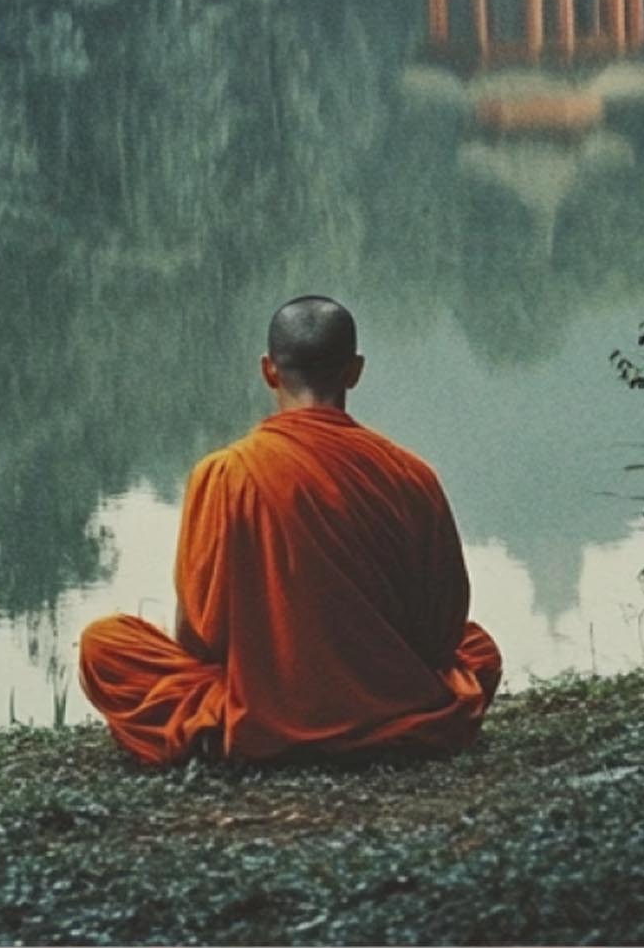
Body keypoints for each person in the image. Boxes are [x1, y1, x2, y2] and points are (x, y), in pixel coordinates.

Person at [77, 294, 502, 766]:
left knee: (105, 645)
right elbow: (440, 633)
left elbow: (201, 638)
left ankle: (223, 736)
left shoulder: (224, 474)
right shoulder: (412, 475)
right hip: (400, 713)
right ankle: (381, 729)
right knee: (477, 648)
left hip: (263, 714)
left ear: (268, 370)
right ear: (354, 371)